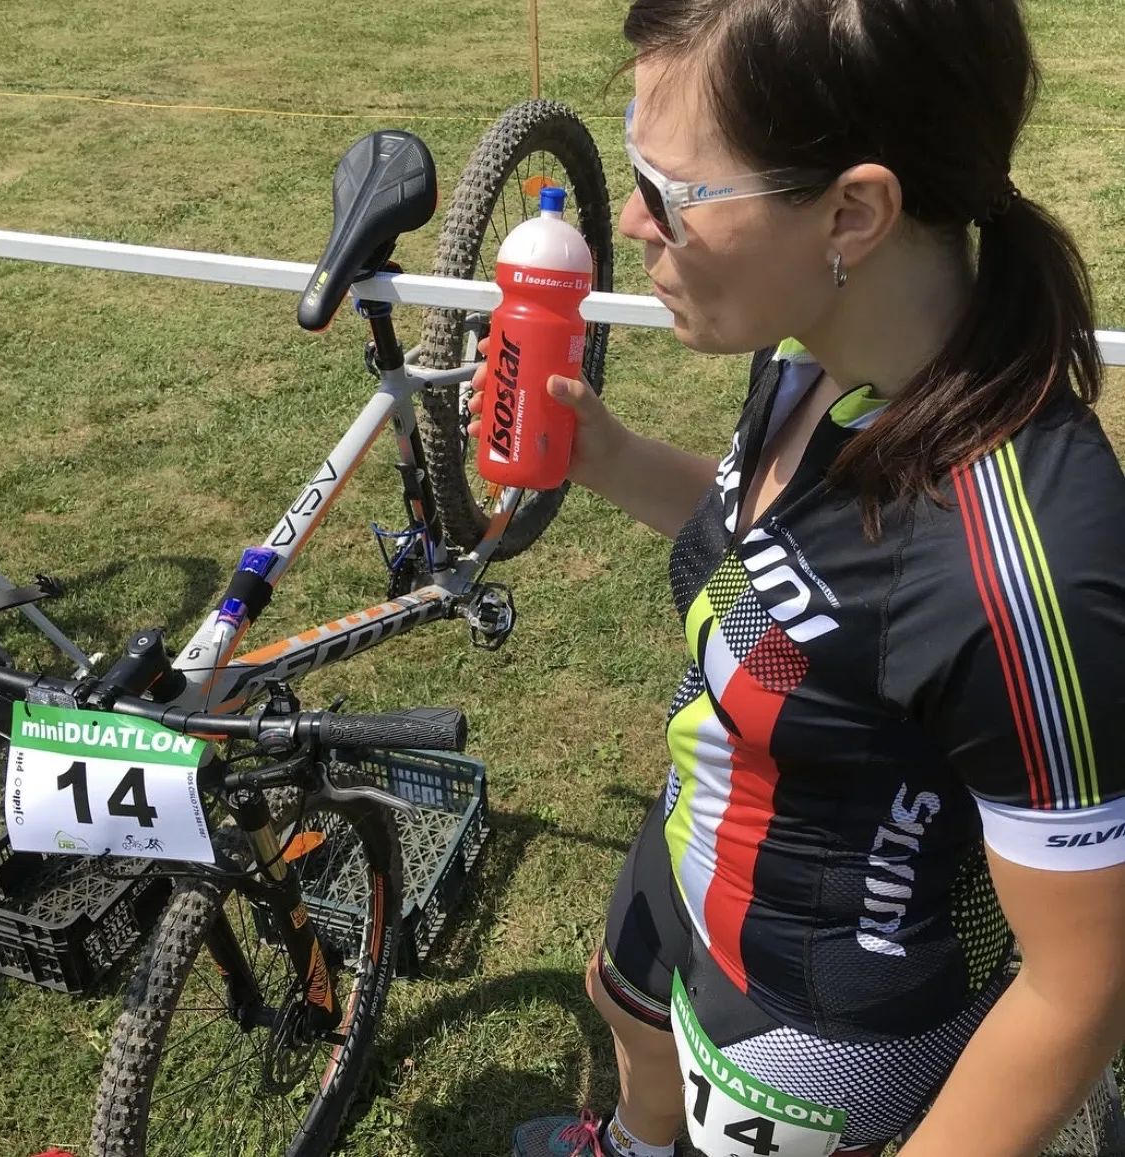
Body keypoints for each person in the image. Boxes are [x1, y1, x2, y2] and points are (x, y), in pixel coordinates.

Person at [469, 0, 1125, 1154]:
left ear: (852, 213)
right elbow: (771, 549)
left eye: (669, 191)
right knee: (628, 1007)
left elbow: (1081, 987)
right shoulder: (815, 345)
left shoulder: (1025, 567)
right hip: (706, 830)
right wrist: (611, 457)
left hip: (820, 1002)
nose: (633, 221)